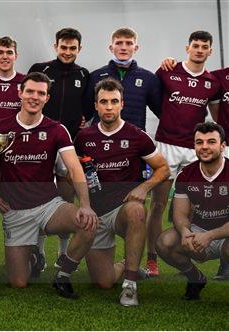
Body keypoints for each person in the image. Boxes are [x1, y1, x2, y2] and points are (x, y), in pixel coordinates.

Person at [0, 72, 98, 299]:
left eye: (41, 93)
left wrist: (85, 204)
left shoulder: (57, 130)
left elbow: (74, 168)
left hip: (49, 207)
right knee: (18, 282)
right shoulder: (0, 129)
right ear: (20, 93)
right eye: (30, 91)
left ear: (47, 98)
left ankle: (63, 275)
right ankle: (33, 257)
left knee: (87, 223)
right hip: (16, 212)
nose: (34, 97)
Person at [74, 78, 169, 306]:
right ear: (96, 105)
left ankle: (130, 284)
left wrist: (143, 187)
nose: (108, 107)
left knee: (137, 210)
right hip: (95, 214)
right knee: (103, 281)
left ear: (122, 104)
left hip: (123, 210)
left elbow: (163, 168)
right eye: (103, 102)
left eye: (114, 101)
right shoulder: (84, 137)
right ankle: (128, 263)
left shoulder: (137, 135)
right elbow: (72, 172)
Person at [148, 31, 221, 277]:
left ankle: (187, 257)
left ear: (210, 51)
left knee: (194, 207)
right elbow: (155, 101)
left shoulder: (213, 82)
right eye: (196, 46)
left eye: (204, 47)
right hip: (167, 144)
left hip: (194, 150)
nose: (199, 50)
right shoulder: (168, 70)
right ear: (187, 47)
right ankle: (152, 259)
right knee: (158, 204)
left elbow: (216, 117)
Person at [28, 28, 89, 265]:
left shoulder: (83, 74)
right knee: (40, 200)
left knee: (65, 200)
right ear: (55, 47)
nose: (67, 52)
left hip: (68, 146)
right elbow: (31, 99)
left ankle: (62, 253)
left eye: (72, 48)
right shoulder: (41, 69)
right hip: (40, 145)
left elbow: (87, 107)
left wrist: (83, 120)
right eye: (63, 47)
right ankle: (39, 251)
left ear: (79, 49)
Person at [156, 122, 229, 300]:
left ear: (223, 146)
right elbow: (180, 214)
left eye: (211, 142)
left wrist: (210, 235)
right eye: (199, 142)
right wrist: (185, 232)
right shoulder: (185, 174)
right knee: (165, 242)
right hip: (198, 233)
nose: (204, 147)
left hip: (224, 235)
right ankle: (195, 278)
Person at [84, 27, 161, 130]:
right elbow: (85, 114)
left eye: (129, 43)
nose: (123, 47)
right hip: (101, 139)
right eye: (119, 43)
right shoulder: (95, 76)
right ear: (111, 48)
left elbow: (164, 114)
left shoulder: (148, 78)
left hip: (135, 139)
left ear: (136, 48)